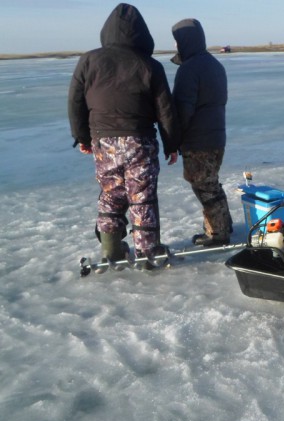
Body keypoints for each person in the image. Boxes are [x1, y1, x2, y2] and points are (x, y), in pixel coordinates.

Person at [68, 3, 180, 264]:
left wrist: (83, 137)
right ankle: (147, 253)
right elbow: (166, 109)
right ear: (142, 34)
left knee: (111, 193)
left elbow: (75, 102)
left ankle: (111, 251)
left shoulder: (88, 60)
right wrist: (172, 144)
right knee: (141, 197)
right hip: (139, 140)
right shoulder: (149, 65)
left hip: (103, 140)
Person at [171, 18, 233, 246]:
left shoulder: (190, 69)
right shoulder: (214, 64)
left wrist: (174, 137)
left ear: (185, 41)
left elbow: (183, 109)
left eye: (177, 41)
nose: (176, 46)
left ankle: (217, 233)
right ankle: (223, 225)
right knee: (211, 183)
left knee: (205, 186)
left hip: (199, 140)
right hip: (216, 137)